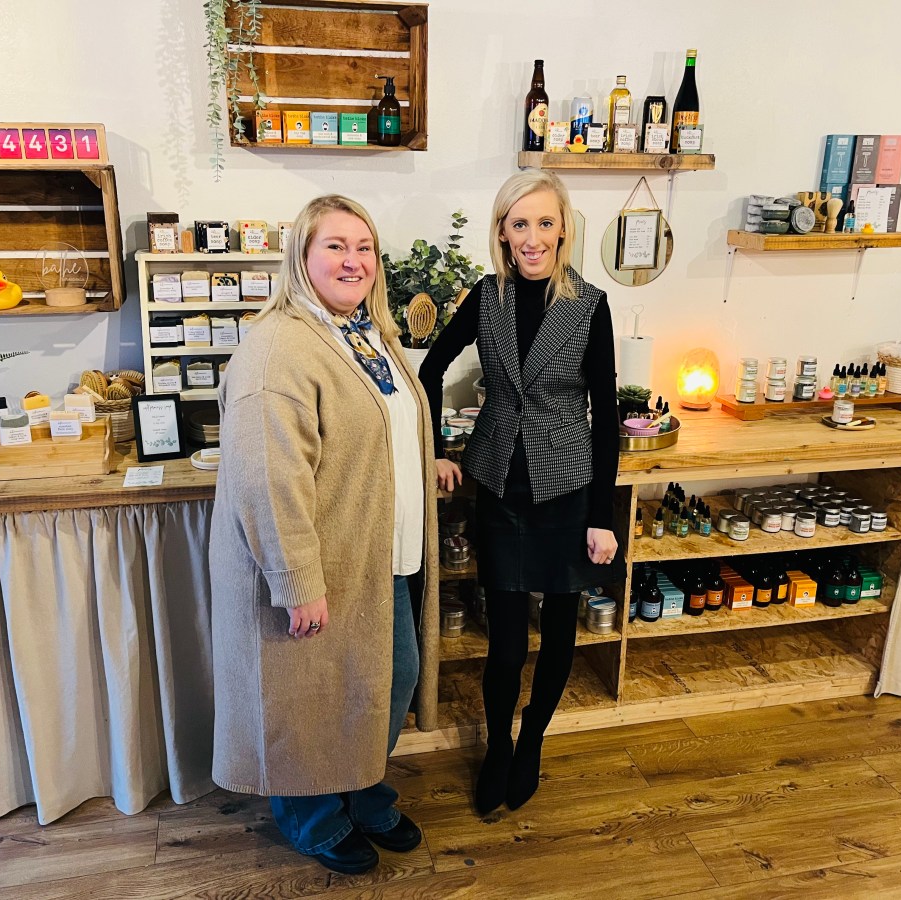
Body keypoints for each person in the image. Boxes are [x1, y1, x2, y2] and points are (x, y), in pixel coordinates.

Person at [210, 195, 439, 875]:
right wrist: (296, 580)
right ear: (302, 257)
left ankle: (362, 790)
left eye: (364, 247)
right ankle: (312, 817)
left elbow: (378, 425)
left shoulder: (367, 335)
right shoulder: (279, 348)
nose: (353, 260)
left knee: (383, 682)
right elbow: (267, 478)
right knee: (308, 695)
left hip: (376, 553)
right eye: (335, 246)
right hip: (319, 562)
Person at [420, 170, 621, 814]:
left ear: (562, 229)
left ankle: (533, 738)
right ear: (502, 232)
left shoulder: (589, 304)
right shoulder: (487, 297)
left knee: (559, 632)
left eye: (544, 223)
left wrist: (602, 517)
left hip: (567, 484)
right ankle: (499, 745)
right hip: (501, 484)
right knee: (506, 643)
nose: (532, 237)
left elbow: (606, 413)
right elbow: (429, 368)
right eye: (518, 224)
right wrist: (434, 450)